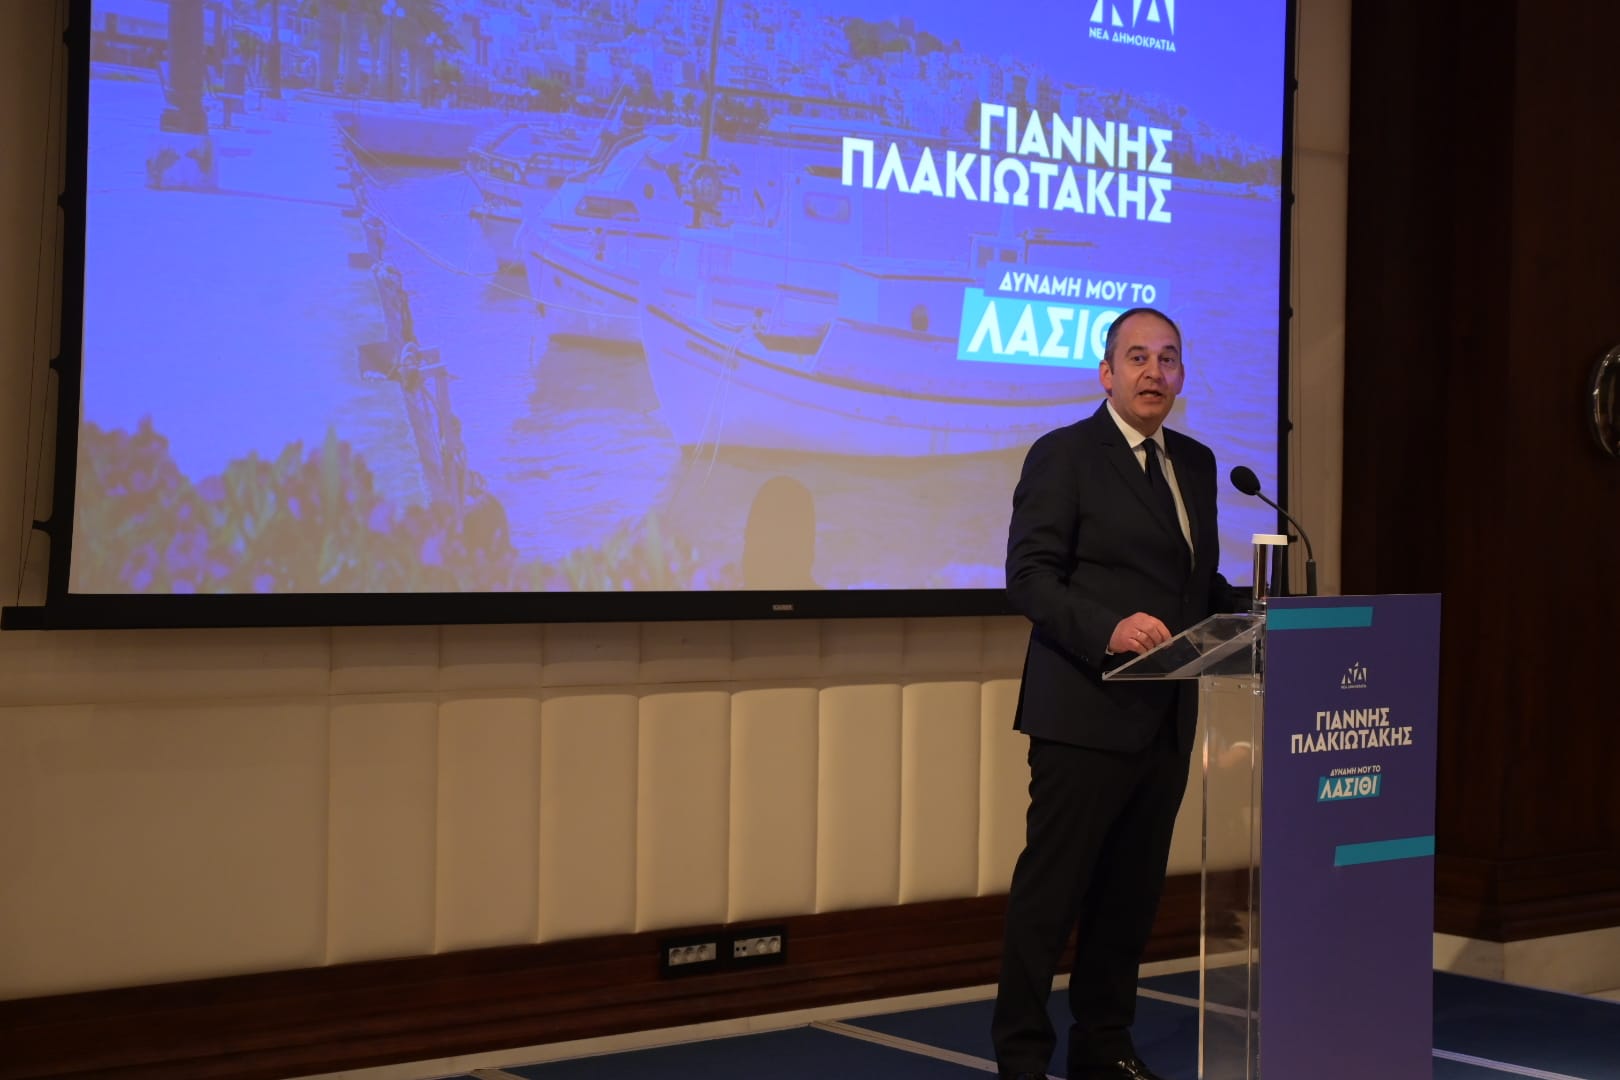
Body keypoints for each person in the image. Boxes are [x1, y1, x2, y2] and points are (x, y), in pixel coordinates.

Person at [992, 307, 1241, 1080]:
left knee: (1130, 897)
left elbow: (1194, 583)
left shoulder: (1194, 463)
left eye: (1168, 358)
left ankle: (1103, 1046)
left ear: (1182, 375)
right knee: (1052, 897)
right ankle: (1022, 1058)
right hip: (1082, 711)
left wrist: (1262, 614)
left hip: (1165, 717)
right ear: (1106, 373)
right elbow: (1030, 577)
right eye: (1137, 357)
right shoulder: (1065, 455)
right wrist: (1111, 628)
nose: (1153, 373)